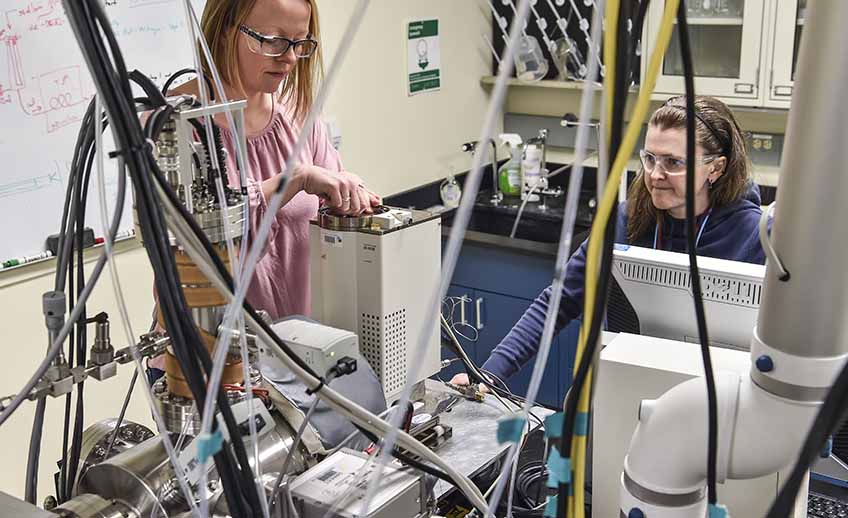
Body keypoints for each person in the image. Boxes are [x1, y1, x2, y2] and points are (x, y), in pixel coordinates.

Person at [452, 95, 767, 387]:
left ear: (716, 167)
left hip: (714, 398)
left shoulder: (754, 236)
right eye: (650, 159)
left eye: (673, 162)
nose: (655, 174)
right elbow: (559, 300)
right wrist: (489, 374)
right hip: (626, 383)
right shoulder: (626, 220)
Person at [172, 0, 381, 319]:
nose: (290, 57)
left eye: (301, 43)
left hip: (297, 349)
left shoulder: (298, 114)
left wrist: (350, 197)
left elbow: (329, 201)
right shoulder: (173, 124)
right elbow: (198, 241)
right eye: (273, 41)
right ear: (227, 31)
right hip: (206, 357)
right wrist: (293, 180)